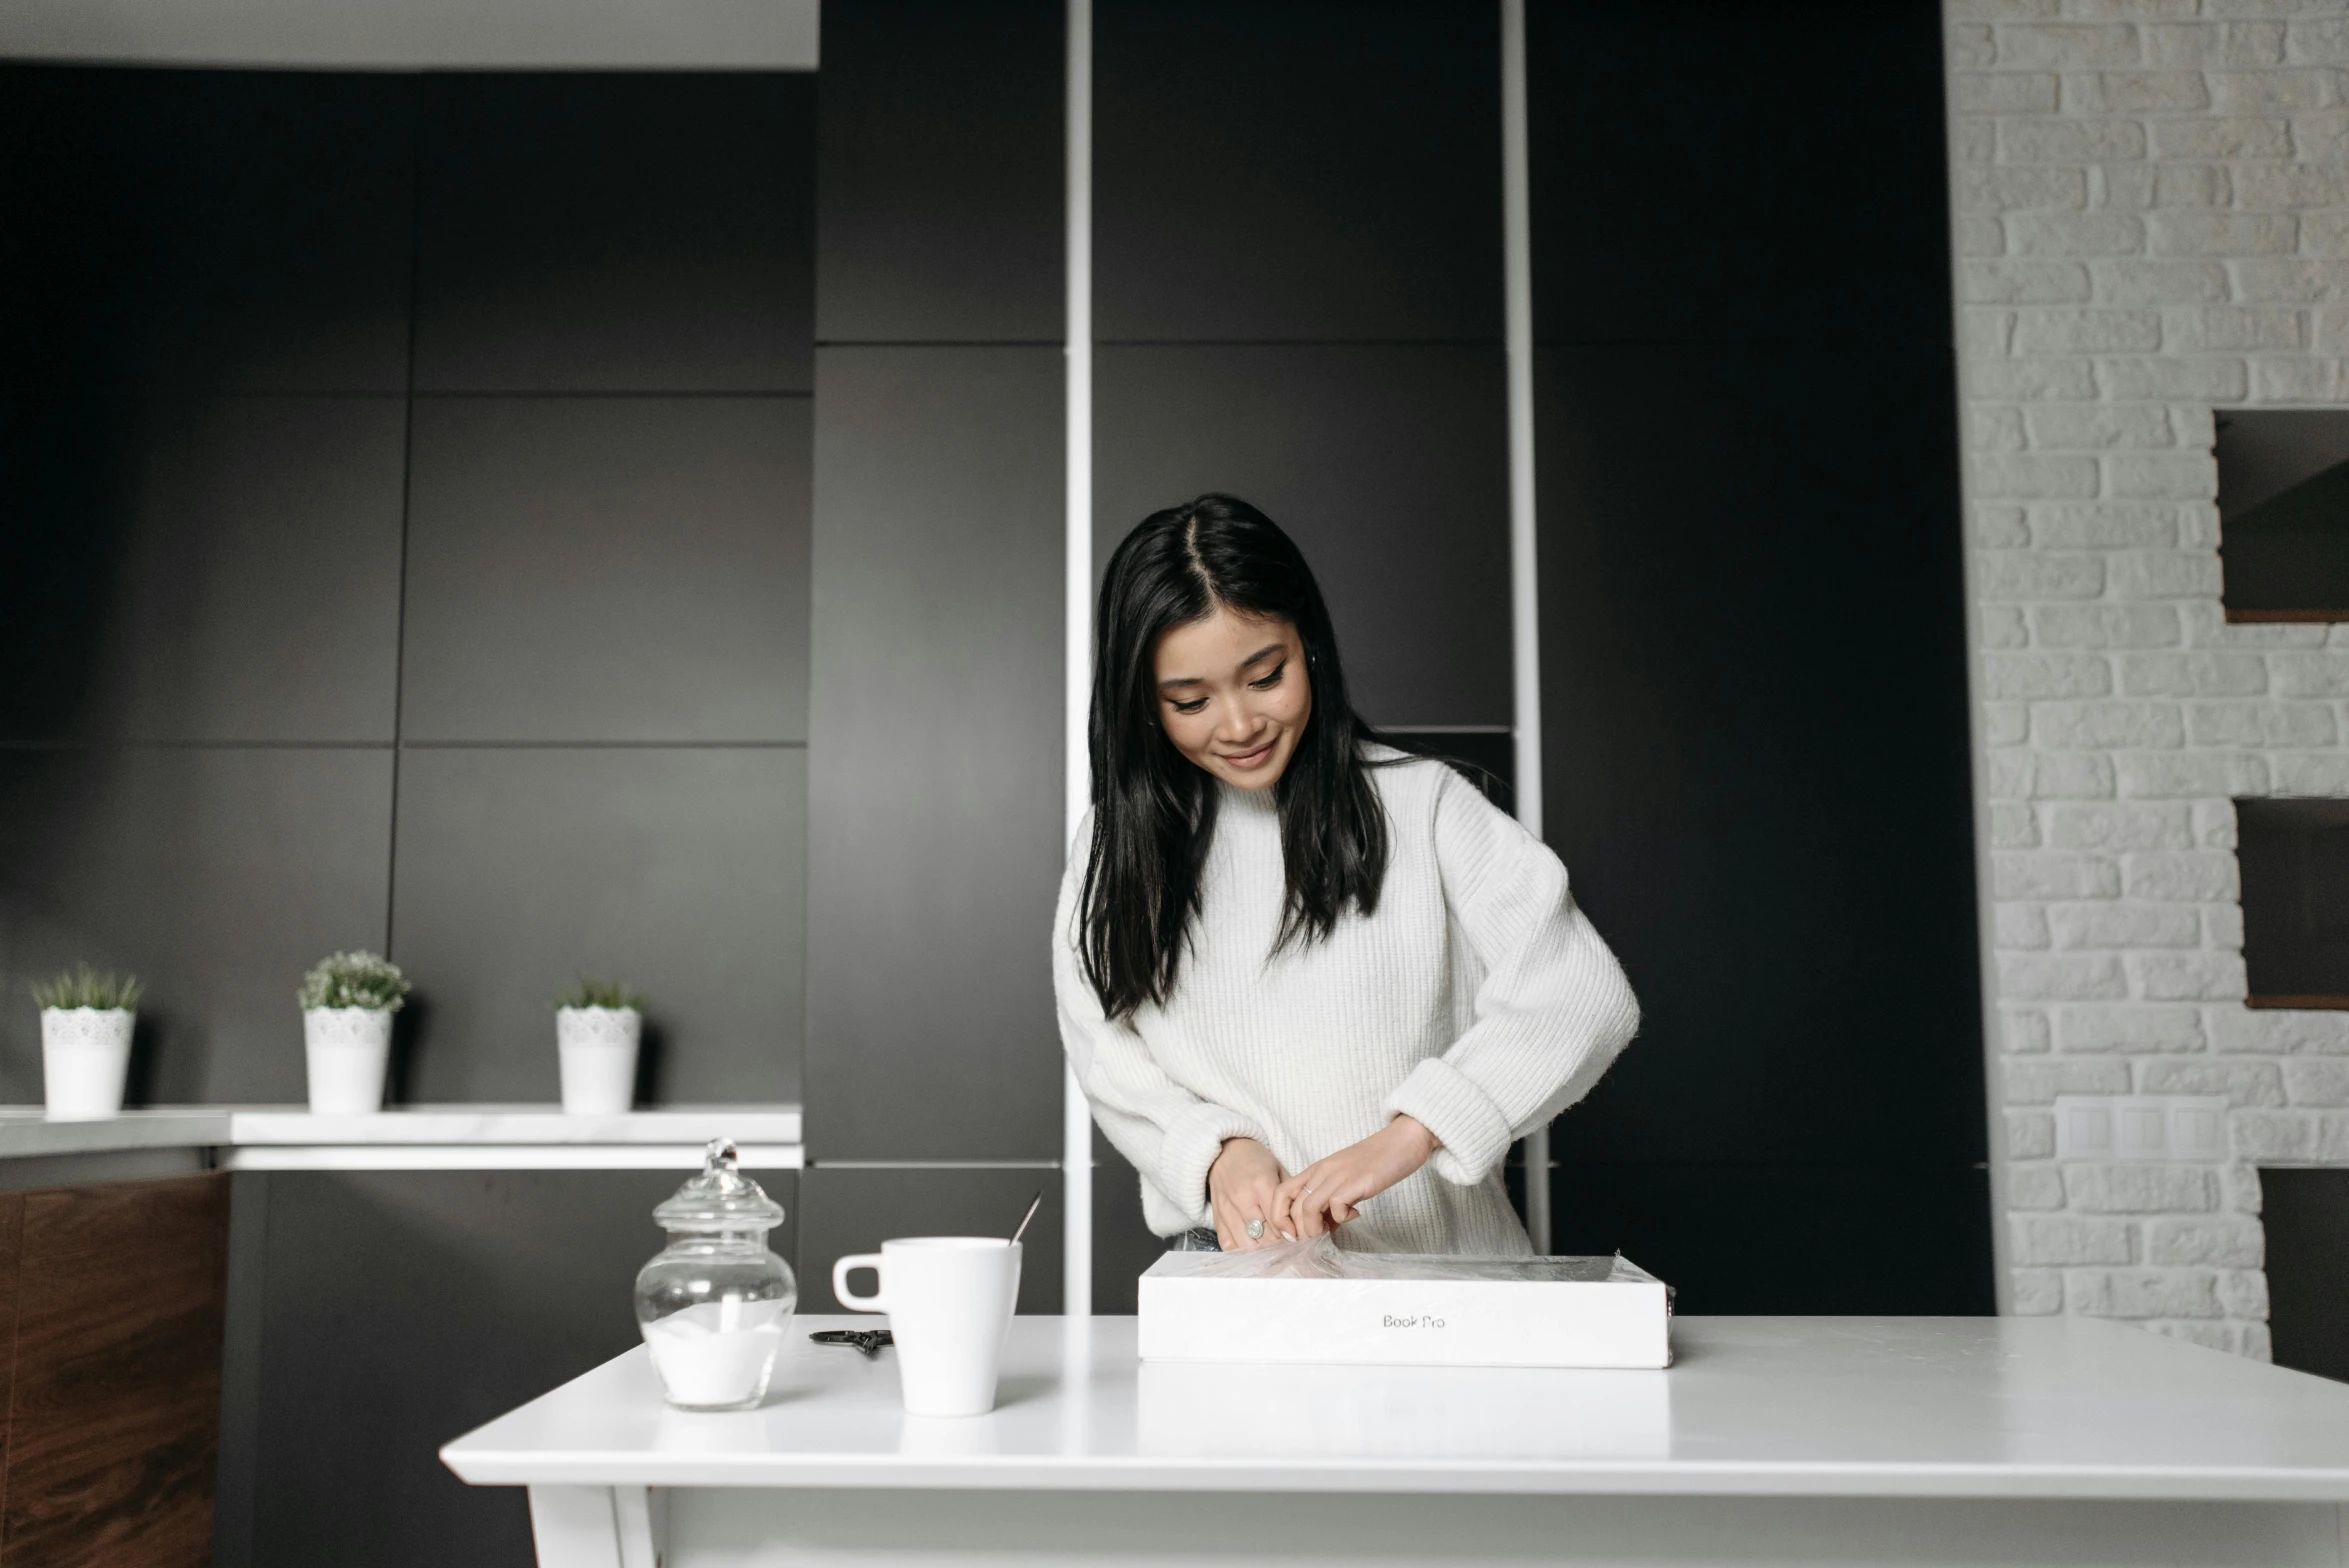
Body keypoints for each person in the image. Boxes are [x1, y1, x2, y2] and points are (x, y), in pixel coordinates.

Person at [1052, 494, 1640, 1256]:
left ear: (1310, 647)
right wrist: (1215, 1151)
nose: (1236, 726)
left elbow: (1581, 995)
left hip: (1448, 1285)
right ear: (1143, 706)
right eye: (1190, 701)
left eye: (1265, 677)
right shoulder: (1114, 845)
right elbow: (1106, 1051)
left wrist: (1413, 1134)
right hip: (1241, 1295)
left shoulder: (1422, 804)